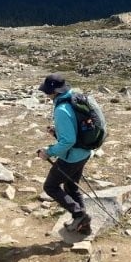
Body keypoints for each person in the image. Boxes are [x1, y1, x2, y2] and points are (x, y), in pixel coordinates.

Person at [37, 73, 93, 234]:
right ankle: (84, 226)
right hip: (84, 152)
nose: (45, 94)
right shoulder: (74, 100)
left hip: (71, 157)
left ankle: (79, 214)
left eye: (47, 90)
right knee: (71, 186)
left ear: (54, 91)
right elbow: (75, 130)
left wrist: (48, 152)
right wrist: (56, 132)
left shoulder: (61, 109)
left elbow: (68, 141)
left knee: (50, 186)